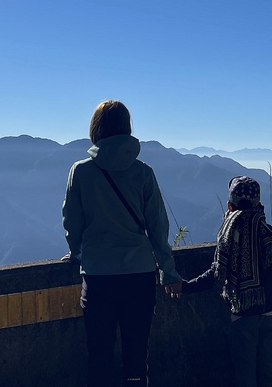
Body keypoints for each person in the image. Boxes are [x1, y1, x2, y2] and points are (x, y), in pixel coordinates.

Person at [62, 100, 183, 387]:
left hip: (98, 276)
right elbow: (158, 226)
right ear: (127, 129)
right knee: (136, 358)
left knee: (99, 356)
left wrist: (77, 253)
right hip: (140, 276)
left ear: (96, 129)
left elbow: (71, 221)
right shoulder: (143, 172)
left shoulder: (81, 171)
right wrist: (168, 271)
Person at [171, 176, 272, 387]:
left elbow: (216, 273)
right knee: (267, 369)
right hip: (270, 312)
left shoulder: (229, 231)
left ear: (229, 204)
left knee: (245, 370)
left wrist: (185, 287)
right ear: (259, 203)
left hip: (243, 313)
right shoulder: (265, 229)